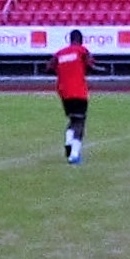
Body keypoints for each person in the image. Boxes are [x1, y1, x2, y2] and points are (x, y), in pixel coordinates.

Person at [48, 29, 105, 164]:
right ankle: (74, 155)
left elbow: (49, 67)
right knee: (80, 121)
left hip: (63, 91)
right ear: (81, 40)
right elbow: (90, 64)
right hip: (78, 90)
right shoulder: (81, 51)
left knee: (73, 119)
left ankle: (69, 142)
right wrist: (100, 70)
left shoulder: (60, 53)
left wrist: (63, 73)